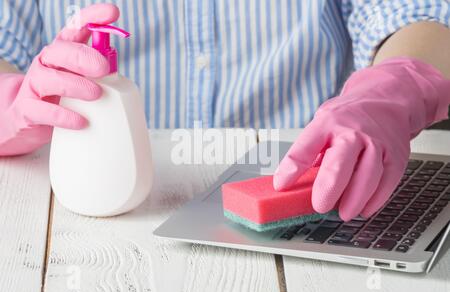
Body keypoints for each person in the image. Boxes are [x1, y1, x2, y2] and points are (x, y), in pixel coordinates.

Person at [1, 1, 450, 221]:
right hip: (102, 230)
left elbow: (413, 11)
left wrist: (394, 87)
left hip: (313, 189)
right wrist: (11, 103)